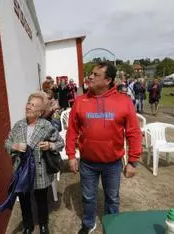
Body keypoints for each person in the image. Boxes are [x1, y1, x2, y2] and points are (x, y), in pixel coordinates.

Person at [66, 62, 142, 234]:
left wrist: (133, 161)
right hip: (87, 163)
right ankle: (88, 223)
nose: (90, 77)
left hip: (113, 163)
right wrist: (71, 155)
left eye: (95, 75)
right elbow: (71, 131)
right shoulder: (80, 101)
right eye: (90, 73)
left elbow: (134, 133)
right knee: (88, 197)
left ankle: (112, 224)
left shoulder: (123, 101)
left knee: (112, 198)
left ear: (108, 80)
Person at [2, 92, 64, 234]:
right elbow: (7, 142)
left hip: (40, 171)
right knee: (24, 200)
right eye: (28, 103)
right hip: (22, 171)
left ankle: (43, 224)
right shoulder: (19, 125)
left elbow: (60, 143)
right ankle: (28, 226)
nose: (28, 107)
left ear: (40, 112)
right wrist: (14, 146)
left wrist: (50, 145)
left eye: (33, 105)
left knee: (41, 200)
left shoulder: (46, 126)